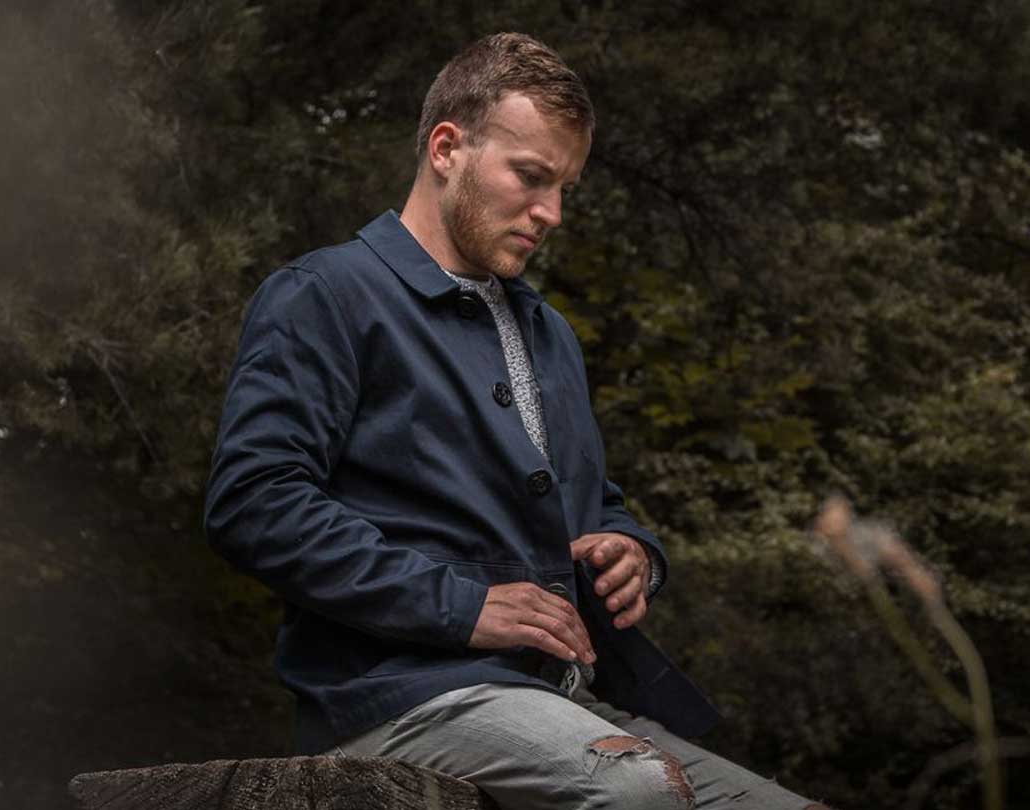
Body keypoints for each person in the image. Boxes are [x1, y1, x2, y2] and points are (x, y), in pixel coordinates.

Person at [205, 32, 830, 810]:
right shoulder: (327, 294)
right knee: (637, 793)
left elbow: (592, 501)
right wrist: (464, 606)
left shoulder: (548, 333)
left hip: (564, 700)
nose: (552, 213)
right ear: (447, 148)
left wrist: (633, 549)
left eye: (565, 187)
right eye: (531, 178)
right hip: (395, 698)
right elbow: (256, 504)